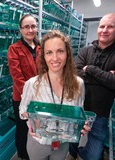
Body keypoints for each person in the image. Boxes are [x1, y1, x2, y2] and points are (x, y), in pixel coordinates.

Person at [19, 30, 90, 160]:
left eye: (60, 51)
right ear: (44, 57)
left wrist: (81, 125)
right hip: (38, 143)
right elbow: (22, 111)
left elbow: (79, 112)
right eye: (49, 52)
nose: (55, 58)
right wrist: (32, 118)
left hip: (62, 144)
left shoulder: (78, 84)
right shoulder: (32, 84)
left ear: (67, 54)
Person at [69, 13, 115, 160]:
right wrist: (106, 77)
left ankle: (84, 153)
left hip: (100, 112)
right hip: (78, 107)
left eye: (110, 27)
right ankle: (73, 154)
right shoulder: (85, 51)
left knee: (94, 154)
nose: (105, 30)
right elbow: (74, 74)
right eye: (102, 26)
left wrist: (91, 70)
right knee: (72, 139)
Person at [7, 14, 40, 160]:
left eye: (33, 26)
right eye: (26, 27)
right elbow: (17, 77)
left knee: (37, 127)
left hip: (41, 96)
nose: (30, 29)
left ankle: (35, 153)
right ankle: (23, 155)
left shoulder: (41, 47)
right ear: (20, 29)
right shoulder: (14, 49)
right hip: (21, 98)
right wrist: (31, 95)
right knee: (22, 128)